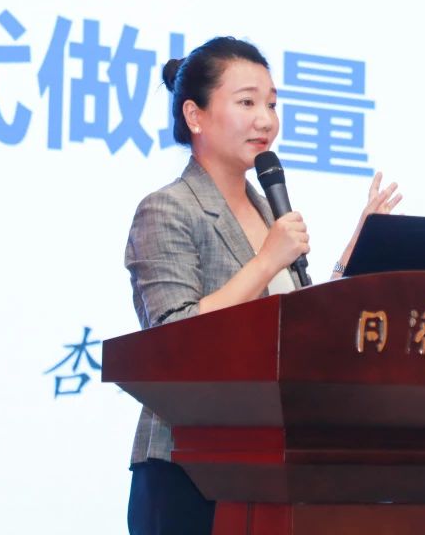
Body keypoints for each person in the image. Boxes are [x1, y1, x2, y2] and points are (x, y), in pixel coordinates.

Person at [124, 36, 400, 534]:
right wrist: (268, 260)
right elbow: (172, 340)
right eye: (247, 102)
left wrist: (356, 251)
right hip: (186, 469)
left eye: (271, 104)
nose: (266, 120)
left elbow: (299, 327)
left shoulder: (267, 209)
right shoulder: (167, 209)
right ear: (195, 115)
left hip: (269, 466)